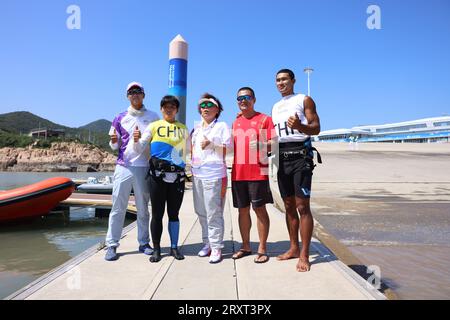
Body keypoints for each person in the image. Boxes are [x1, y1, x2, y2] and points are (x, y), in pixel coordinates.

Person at [271, 69, 321, 272]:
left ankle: (304, 254)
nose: (280, 82)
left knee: (302, 207)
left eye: (284, 79)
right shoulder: (275, 106)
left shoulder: (304, 99)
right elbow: (275, 135)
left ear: (293, 80)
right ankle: (293, 248)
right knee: (289, 205)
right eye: (277, 80)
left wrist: (300, 125)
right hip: (281, 157)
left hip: (301, 156)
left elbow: (316, 127)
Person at [128, 95, 188, 263]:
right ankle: (157, 249)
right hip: (157, 177)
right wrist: (135, 140)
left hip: (177, 178)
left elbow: (187, 152)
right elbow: (140, 148)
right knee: (157, 214)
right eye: (166, 107)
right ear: (161, 109)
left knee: (174, 214)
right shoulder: (154, 126)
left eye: (172, 107)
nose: (169, 109)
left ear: (176, 110)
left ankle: (174, 247)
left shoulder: (183, 128)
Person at [105, 82, 159, 261]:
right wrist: (113, 140)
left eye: (138, 92)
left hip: (143, 166)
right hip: (123, 166)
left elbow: (158, 141)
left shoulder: (153, 116)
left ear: (144, 95)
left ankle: (144, 242)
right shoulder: (119, 117)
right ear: (127, 96)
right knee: (118, 206)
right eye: (131, 92)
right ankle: (112, 244)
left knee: (143, 207)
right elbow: (114, 145)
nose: (134, 95)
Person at [231, 87, 275, 263]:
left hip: (258, 172)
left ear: (254, 100)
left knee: (259, 209)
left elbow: (275, 144)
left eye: (247, 97)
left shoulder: (264, 119)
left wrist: (262, 144)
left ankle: (262, 248)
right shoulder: (235, 122)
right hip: (238, 173)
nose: (243, 100)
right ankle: (246, 246)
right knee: (242, 211)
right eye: (240, 98)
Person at [190, 93, 231, 264]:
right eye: (202, 105)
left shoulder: (221, 126)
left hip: (214, 175)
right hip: (197, 174)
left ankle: (216, 247)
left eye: (209, 105)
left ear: (217, 110)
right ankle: (206, 242)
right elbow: (192, 150)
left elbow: (228, 149)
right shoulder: (196, 128)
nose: (205, 108)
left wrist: (212, 145)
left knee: (214, 212)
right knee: (201, 211)